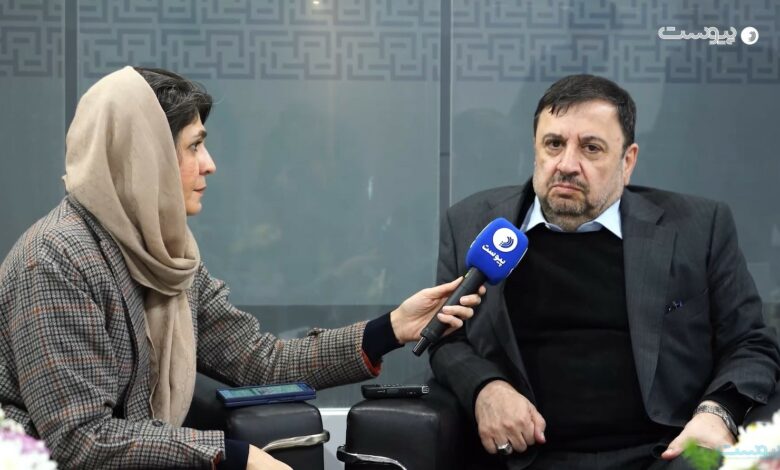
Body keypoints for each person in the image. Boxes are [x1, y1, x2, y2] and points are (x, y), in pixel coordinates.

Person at [0, 66, 483, 470]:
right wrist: (232, 456)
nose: (209, 164)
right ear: (144, 158)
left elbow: (260, 361)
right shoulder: (56, 259)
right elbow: (80, 440)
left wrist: (391, 328)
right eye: (194, 146)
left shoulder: (168, 255)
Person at [429, 74, 780, 470]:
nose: (567, 165)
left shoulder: (697, 228)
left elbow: (751, 343)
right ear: (535, 148)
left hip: (664, 454)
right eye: (554, 144)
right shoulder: (474, 224)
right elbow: (445, 338)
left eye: (591, 148)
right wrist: (485, 388)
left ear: (627, 161)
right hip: (525, 458)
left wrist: (717, 413)